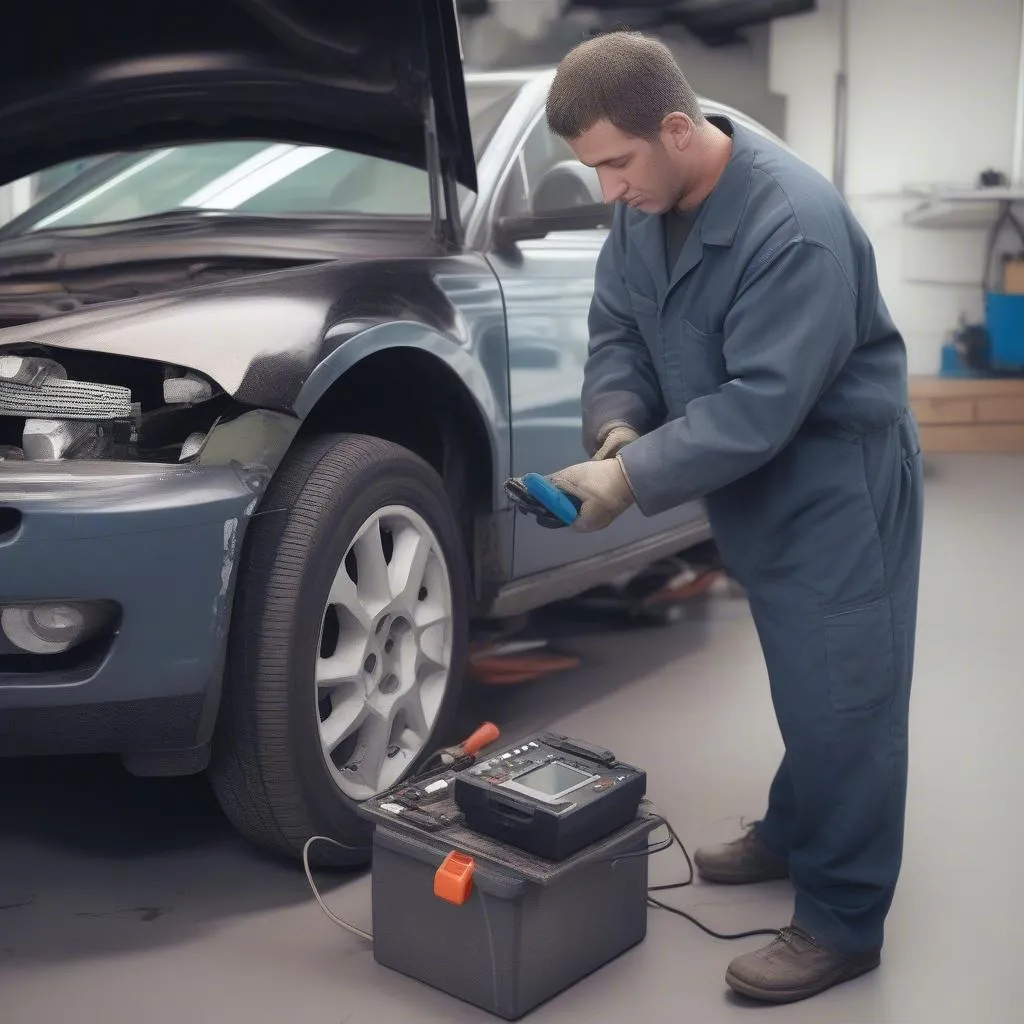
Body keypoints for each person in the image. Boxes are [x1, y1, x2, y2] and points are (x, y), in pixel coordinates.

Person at [543, 31, 924, 1005]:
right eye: (594, 171)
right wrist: (618, 426)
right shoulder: (645, 200)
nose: (607, 191)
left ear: (676, 128)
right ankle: (798, 827)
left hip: (829, 479)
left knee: (845, 692)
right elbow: (618, 327)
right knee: (808, 672)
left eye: (616, 164)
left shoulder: (789, 225)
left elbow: (761, 403)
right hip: (747, 478)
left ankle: (841, 917)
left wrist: (628, 483)